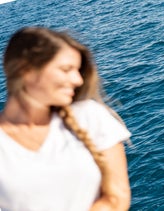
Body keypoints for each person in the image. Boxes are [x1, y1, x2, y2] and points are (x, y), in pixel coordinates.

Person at [0, 27, 131, 211]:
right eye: (66, 69)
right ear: (26, 70)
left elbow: (117, 198)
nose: (78, 80)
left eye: (78, 70)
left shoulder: (90, 117)